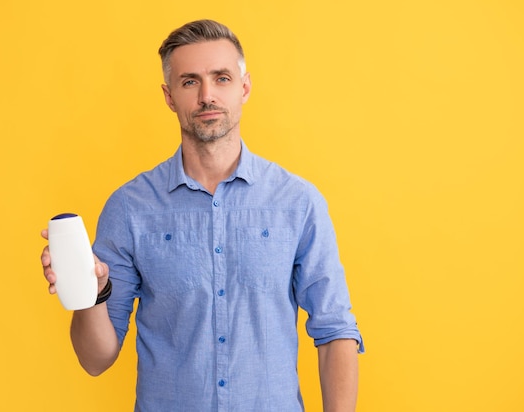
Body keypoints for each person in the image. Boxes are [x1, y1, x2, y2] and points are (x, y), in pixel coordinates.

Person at [41, 19, 364, 412]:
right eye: (190, 81)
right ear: (169, 95)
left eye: (222, 78)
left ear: (244, 87)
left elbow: (335, 331)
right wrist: (93, 292)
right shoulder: (129, 208)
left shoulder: (297, 202)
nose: (207, 96)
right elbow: (95, 360)